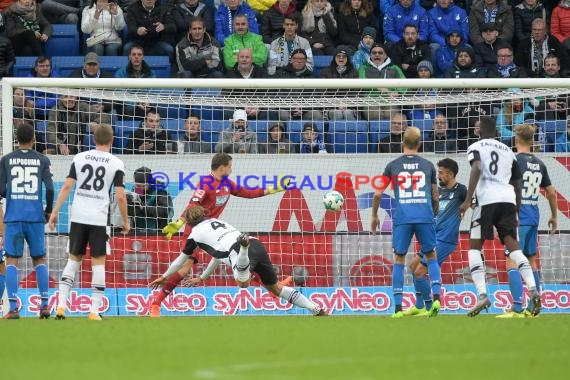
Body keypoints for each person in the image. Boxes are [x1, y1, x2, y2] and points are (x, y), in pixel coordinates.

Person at [150, 152, 290, 317]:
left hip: (214, 232)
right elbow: (193, 204)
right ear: (222, 167)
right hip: (196, 230)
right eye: (230, 166)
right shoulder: (206, 183)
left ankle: (273, 289)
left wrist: (274, 189)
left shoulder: (227, 183)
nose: (231, 169)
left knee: (239, 260)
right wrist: (180, 223)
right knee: (185, 267)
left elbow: (249, 193)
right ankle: (155, 304)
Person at [149, 206, 327, 316]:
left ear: (188, 222)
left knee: (243, 283)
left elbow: (179, 262)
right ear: (204, 215)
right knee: (276, 289)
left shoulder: (194, 234)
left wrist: (164, 276)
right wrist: (203, 277)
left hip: (239, 250)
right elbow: (217, 257)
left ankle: (243, 249)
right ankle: (316, 309)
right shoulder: (217, 222)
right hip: (256, 243)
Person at [459, 116, 541, 317]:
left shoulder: (475, 146)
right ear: (496, 131)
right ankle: (532, 288)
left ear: (479, 131)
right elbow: (517, 183)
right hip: (508, 201)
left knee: (474, 247)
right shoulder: (508, 152)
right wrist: (517, 210)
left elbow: (477, 167)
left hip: (486, 200)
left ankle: (482, 295)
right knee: (513, 246)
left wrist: (468, 199)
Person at [48, 124, 129, 321]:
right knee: (98, 263)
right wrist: (126, 221)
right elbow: (120, 196)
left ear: (93, 139)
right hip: (99, 219)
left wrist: (54, 212)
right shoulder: (116, 162)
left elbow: (68, 186)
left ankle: (60, 306)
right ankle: (94, 311)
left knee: (73, 260)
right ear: (112, 140)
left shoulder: (80, 157)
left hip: (78, 216)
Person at [371, 126, 442, 318]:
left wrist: (374, 215)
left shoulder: (393, 165)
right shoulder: (428, 165)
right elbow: (435, 196)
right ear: (419, 144)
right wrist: (432, 213)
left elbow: (378, 193)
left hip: (403, 217)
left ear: (402, 143)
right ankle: (436, 298)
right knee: (432, 255)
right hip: (424, 215)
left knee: (399, 260)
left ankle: (398, 308)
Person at [496, 124, 557, 318]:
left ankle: (516, 307)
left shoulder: (512, 161)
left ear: (516, 139)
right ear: (532, 140)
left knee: (512, 261)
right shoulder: (540, 163)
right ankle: (534, 308)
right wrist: (554, 216)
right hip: (533, 217)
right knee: (531, 260)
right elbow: (552, 192)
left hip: (516, 218)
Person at [0, 124, 54, 319]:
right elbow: (49, 189)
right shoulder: (42, 160)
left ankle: (13, 308)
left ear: (16, 140)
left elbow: (0, 188)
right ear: (34, 139)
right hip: (35, 216)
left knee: (12, 261)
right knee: (39, 259)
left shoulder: (6, 160)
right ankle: (45, 306)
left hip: (14, 216)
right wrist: (48, 211)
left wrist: (13, 195)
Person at [402, 158, 466, 316]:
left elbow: (474, 203)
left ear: (451, 174)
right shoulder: (438, 191)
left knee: (419, 272)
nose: (438, 176)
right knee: (412, 266)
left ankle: (430, 307)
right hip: (432, 238)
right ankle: (419, 305)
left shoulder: (461, 191)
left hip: (446, 239)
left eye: (441, 173)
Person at [127, 167, 173, 233]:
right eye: (138, 186)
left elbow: (164, 211)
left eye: (143, 186)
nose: (141, 189)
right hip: (138, 230)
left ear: (150, 183)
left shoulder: (160, 192)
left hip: (157, 231)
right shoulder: (136, 190)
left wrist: (143, 208)